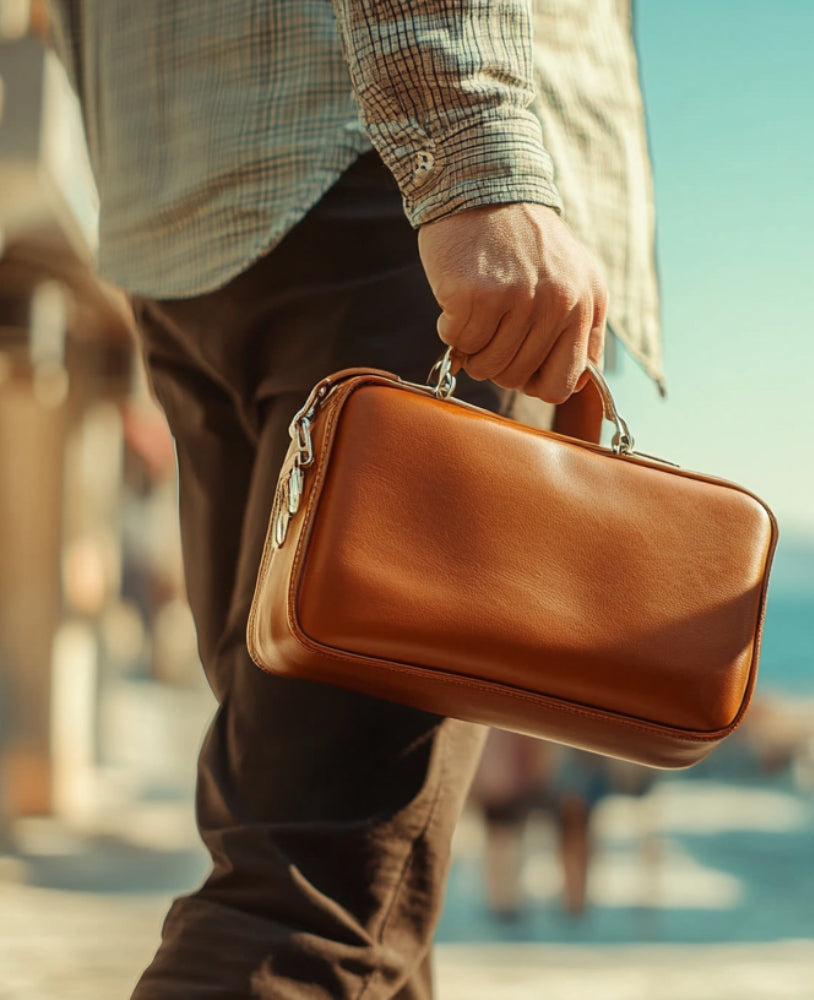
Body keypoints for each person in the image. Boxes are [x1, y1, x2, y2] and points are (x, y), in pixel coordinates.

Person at [44, 1, 663, 996]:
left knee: (362, 894)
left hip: (185, 215)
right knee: (312, 900)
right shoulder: (432, 182)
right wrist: (478, 161)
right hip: (386, 191)